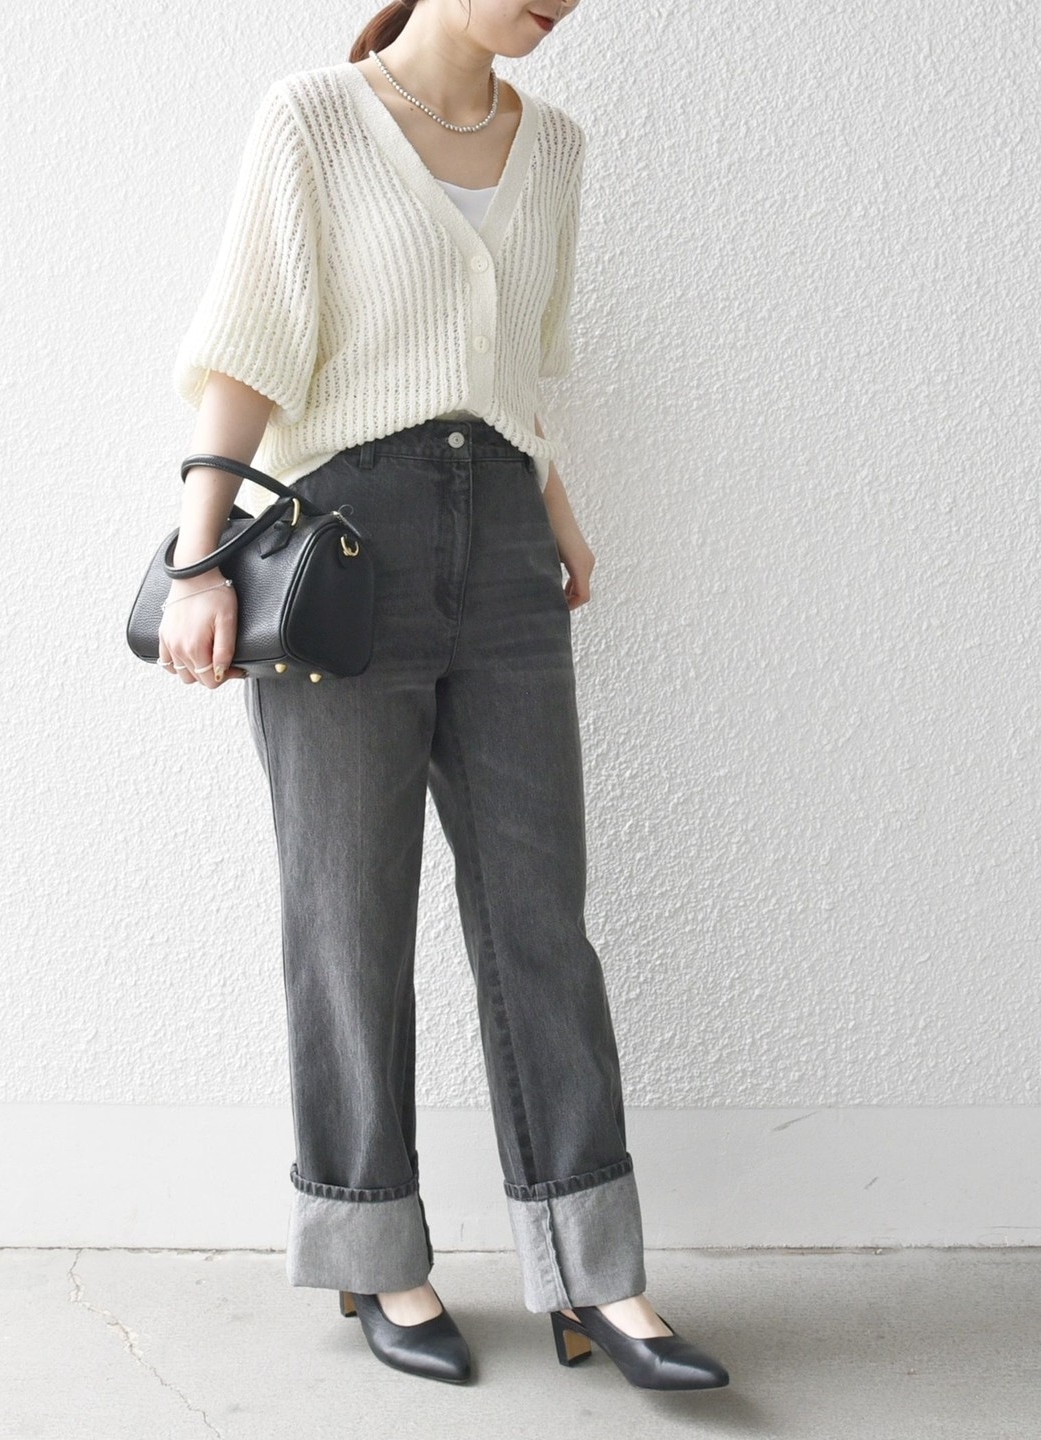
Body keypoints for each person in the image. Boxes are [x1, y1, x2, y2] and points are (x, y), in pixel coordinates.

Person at [158, 0, 730, 1393]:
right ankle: (372, 1250)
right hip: (345, 549)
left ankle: (596, 1274)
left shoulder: (559, 147)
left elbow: (519, 371)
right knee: (347, 915)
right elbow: (246, 349)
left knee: (542, 917)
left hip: (510, 550)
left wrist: (559, 517)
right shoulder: (314, 118)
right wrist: (198, 559)